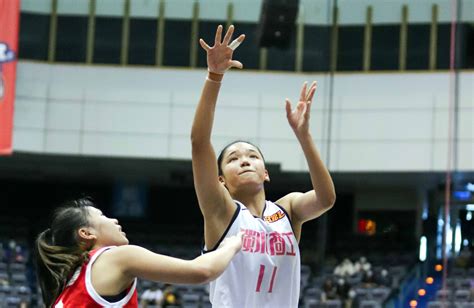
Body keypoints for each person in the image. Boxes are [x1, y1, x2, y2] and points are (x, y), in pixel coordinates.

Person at [191, 24, 336, 307]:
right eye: (233, 159)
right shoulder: (220, 211)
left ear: (265, 173)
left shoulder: (288, 210)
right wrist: (214, 77)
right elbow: (199, 143)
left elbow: (326, 198)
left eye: (252, 156)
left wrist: (304, 136)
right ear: (220, 180)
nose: (244, 159)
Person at [35, 197, 242, 308]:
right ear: (86, 233)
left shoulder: (68, 283)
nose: (114, 220)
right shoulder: (117, 257)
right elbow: (202, 271)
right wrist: (233, 244)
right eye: (103, 215)